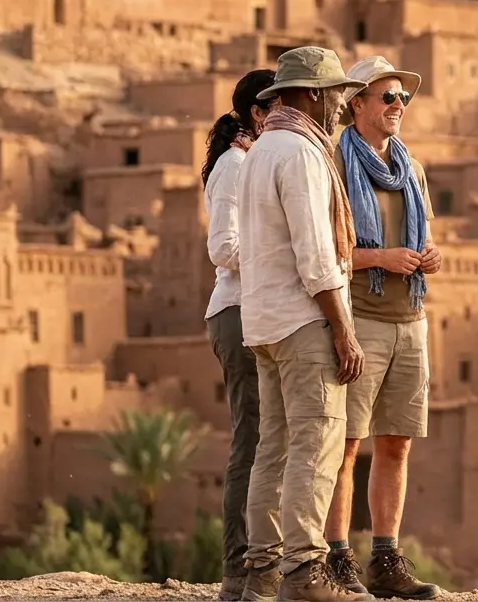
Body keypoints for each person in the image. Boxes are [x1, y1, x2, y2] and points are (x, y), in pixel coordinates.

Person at [236, 46, 373, 602]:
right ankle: (304, 573)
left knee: (274, 448)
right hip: (303, 320)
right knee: (316, 443)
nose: (342, 103)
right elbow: (316, 255)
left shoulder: (262, 148)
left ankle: (262, 573)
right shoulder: (300, 154)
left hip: (264, 323)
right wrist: (343, 328)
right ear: (314, 94)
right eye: (338, 93)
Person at [320, 56, 444, 600]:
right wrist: (381, 258)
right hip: (359, 317)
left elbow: (423, 232)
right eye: (387, 97)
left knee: (396, 443)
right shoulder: (335, 163)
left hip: (411, 319)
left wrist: (426, 257)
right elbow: (326, 248)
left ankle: (386, 558)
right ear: (358, 104)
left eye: (403, 99)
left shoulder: (411, 168)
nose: (398, 107)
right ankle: (337, 559)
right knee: (346, 444)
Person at [203, 68, 277, 601]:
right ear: (258, 112)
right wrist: (280, 260)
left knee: (267, 439)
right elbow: (223, 247)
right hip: (238, 311)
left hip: (256, 309)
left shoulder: (252, 160)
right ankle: (239, 571)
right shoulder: (233, 165)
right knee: (250, 442)